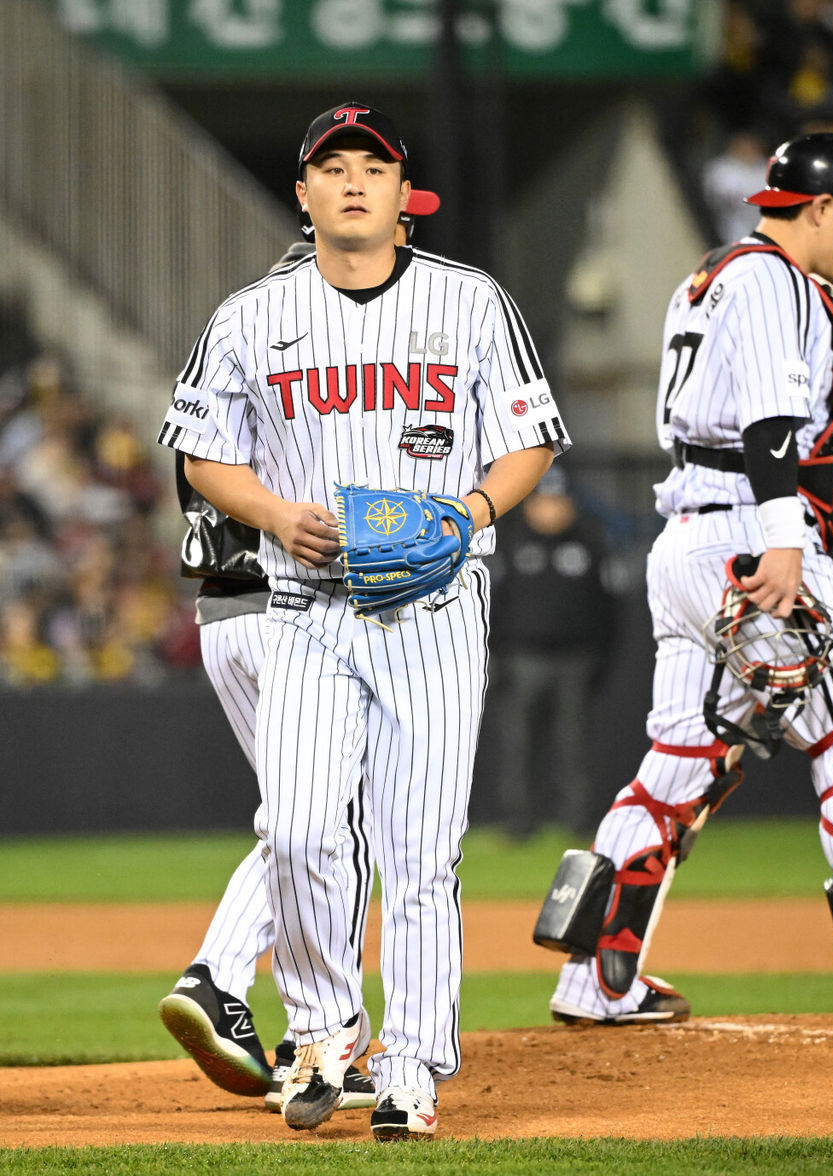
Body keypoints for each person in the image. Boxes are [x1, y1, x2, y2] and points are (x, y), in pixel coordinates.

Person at [537, 132, 833, 1026]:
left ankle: (595, 979)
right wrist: (785, 542)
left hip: (687, 545)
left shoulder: (710, 275)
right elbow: (767, 428)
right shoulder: (772, 280)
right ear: (823, 206)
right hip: (750, 541)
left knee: (679, 762)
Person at [157, 101, 568, 1141]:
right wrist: (271, 516)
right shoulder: (250, 316)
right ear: (302, 194)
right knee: (298, 829)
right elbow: (200, 447)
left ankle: (414, 1064)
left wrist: (471, 511)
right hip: (300, 604)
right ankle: (325, 1030)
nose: (350, 181)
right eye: (330, 167)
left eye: (370, 167)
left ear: (400, 195)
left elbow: (529, 439)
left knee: (419, 849)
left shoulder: (471, 303)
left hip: (431, 606)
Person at [158, 194, 440, 1115]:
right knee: (330, 816)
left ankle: (297, 1018)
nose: (405, 237)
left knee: (308, 810)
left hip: (220, 612)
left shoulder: (232, 344)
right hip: (289, 606)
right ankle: (230, 977)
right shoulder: (310, 356)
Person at [489, 464, 615, 835]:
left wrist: (601, 658)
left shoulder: (590, 544)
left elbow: (609, 610)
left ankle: (578, 820)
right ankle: (518, 823)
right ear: (529, 505)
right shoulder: (510, 543)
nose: (550, 510)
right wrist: (496, 658)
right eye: (543, 502)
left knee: (574, 745)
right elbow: (493, 605)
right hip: (523, 658)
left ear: (570, 505)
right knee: (519, 746)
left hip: (575, 659)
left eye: (557, 502)